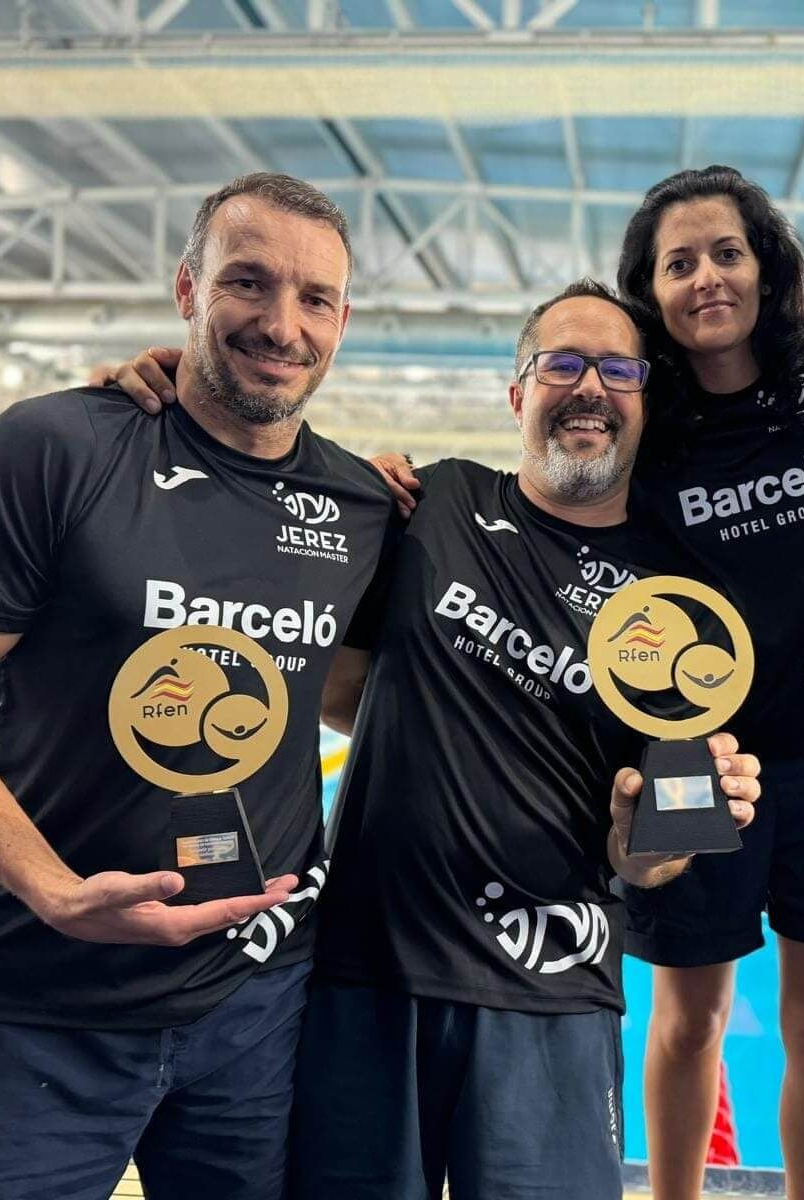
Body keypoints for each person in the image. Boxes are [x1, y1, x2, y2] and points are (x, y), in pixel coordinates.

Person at [104, 164, 804, 1200]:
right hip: (677, 749)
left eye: (725, 254)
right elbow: (317, 535)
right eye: (677, 264)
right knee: (687, 1024)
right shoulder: (620, 429)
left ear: (765, 267)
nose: (704, 279)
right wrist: (168, 379)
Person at [98, 277, 762, 1199]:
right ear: (518, 393)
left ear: (644, 398)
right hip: (369, 979)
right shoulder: (430, 504)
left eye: (618, 369)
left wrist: (650, 837)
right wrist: (165, 399)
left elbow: (646, 862)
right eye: (561, 363)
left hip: (552, 991)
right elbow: (307, 627)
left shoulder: (673, 598)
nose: (589, 388)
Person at [0, 172, 399, 1200]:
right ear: (187, 289)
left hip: (256, 1009)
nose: (281, 324)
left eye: (314, 298)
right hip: (33, 1006)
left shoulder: (362, 507)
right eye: (248, 283)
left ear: (342, 320)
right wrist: (53, 890)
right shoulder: (54, 448)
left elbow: (347, 696)